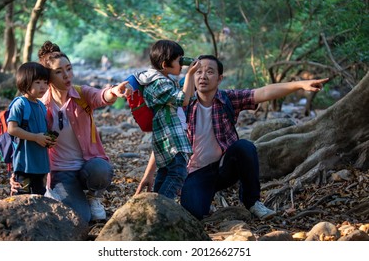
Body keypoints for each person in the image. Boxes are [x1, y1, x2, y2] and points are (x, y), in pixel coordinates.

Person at [136, 55, 329, 220]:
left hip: (223, 167)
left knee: (244, 147)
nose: (203, 76)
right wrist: (148, 174)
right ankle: (205, 197)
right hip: (195, 173)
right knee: (194, 212)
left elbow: (263, 92)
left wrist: (299, 85)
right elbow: (166, 141)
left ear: (219, 78)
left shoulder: (228, 98)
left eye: (209, 72)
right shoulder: (181, 104)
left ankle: (252, 202)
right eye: (198, 71)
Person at [10, 41, 131, 222]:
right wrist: (17, 172)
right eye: (59, 72)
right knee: (81, 219)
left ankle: (93, 197)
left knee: (102, 169)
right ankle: (56, 194)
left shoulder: (81, 94)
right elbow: (23, 138)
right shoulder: (40, 106)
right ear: (48, 78)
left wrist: (114, 91)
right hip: (60, 171)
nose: (67, 76)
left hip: (87, 164)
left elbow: (101, 96)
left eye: (69, 69)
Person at [132, 39, 200, 200]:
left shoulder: (164, 80)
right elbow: (183, 100)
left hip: (168, 133)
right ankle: (162, 207)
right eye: (178, 60)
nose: (181, 64)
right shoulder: (158, 83)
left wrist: (192, 74)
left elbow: (188, 98)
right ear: (164, 64)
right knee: (178, 172)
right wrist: (189, 74)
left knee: (165, 171)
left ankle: (155, 203)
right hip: (169, 134)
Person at [7, 62, 53, 195]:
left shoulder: (41, 106)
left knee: (39, 195)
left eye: (45, 82)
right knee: (21, 194)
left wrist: (48, 139)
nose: (43, 86)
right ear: (25, 83)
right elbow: (12, 129)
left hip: (40, 163)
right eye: (37, 82)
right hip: (24, 162)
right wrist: (36, 137)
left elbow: (41, 129)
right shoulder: (20, 104)